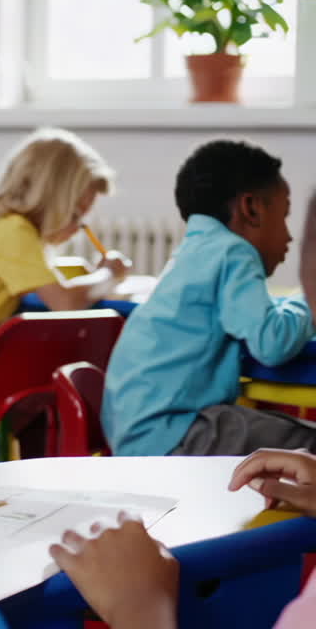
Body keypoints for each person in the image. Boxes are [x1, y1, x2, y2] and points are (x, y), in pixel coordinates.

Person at [0, 129, 131, 456]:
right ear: (53, 198)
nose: (78, 227)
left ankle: (62, 459)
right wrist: (108, 273)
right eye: (76, 215)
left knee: (61, 373)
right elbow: (64, 301)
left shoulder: (17, 233)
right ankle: (54, 466)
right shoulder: (14, 232)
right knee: (51, 385)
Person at [104, 140, 315, 457]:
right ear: (251, 208)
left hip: (139, 430)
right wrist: (311, 299)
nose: (287, 237)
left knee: (277, 429)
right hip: (175, 431)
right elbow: (273, 342)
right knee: (308, 445)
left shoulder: (196, 251)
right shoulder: (233, 251)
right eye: (283, 217)